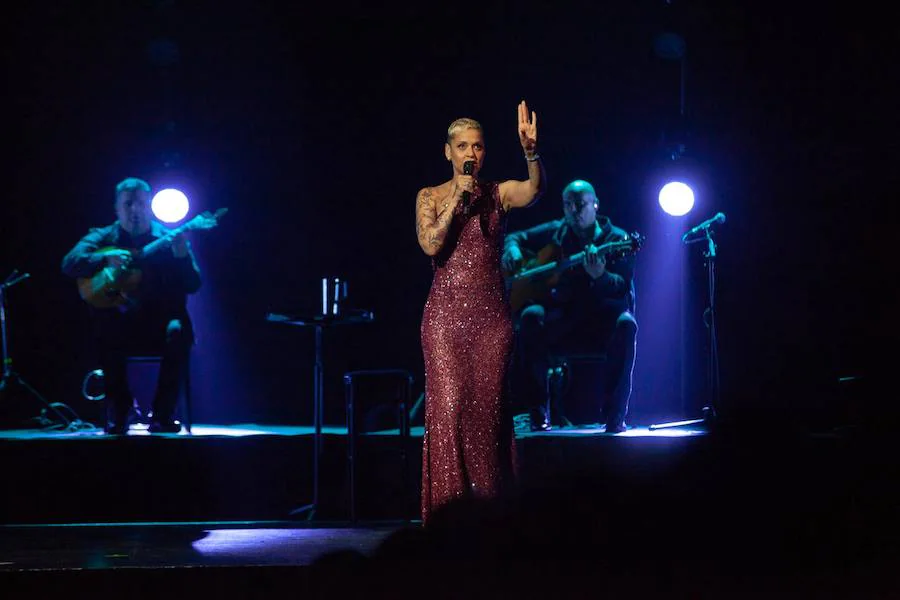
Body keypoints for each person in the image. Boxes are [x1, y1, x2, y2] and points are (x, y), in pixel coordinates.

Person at [416, 100, 546, 524]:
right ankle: (449, 520)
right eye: (463, 146)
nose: (471, 153)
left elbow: (533, 191)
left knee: (487, 416)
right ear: (448, 152)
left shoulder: (498, 193)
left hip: (491, 320)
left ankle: (491, 517)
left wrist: (530, 153)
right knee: (450, 411)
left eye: (478, 146)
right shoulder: (429, 196)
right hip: (443, 320)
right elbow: (432, 245)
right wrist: (457, 198)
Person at [61, 177, 201, 434]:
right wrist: (103, 258)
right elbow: (69, 263)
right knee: (105, 327)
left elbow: (193, 284)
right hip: (121, 321)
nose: (134, 210)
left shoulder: (169, 238)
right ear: (117, 208)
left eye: (140, 203)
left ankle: (163, 413)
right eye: (128, 204)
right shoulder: (103, 237)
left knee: (179, 331)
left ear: (150, 206)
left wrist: (181, 257)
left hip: (160, 322)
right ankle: (121, 409)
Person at [502, 179, 637, 433]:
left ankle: (614, 416)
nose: (574, 212)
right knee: (531, 316)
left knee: (626, 323)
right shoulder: (558, 231)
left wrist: (600, 276)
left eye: (580, 205)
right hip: (564, 319)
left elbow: (622, 288)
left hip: (600, 321)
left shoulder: (618, 240)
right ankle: (538, 413)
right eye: (568, 205)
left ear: (595, 205)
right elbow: (514, 236)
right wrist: (512, 251)